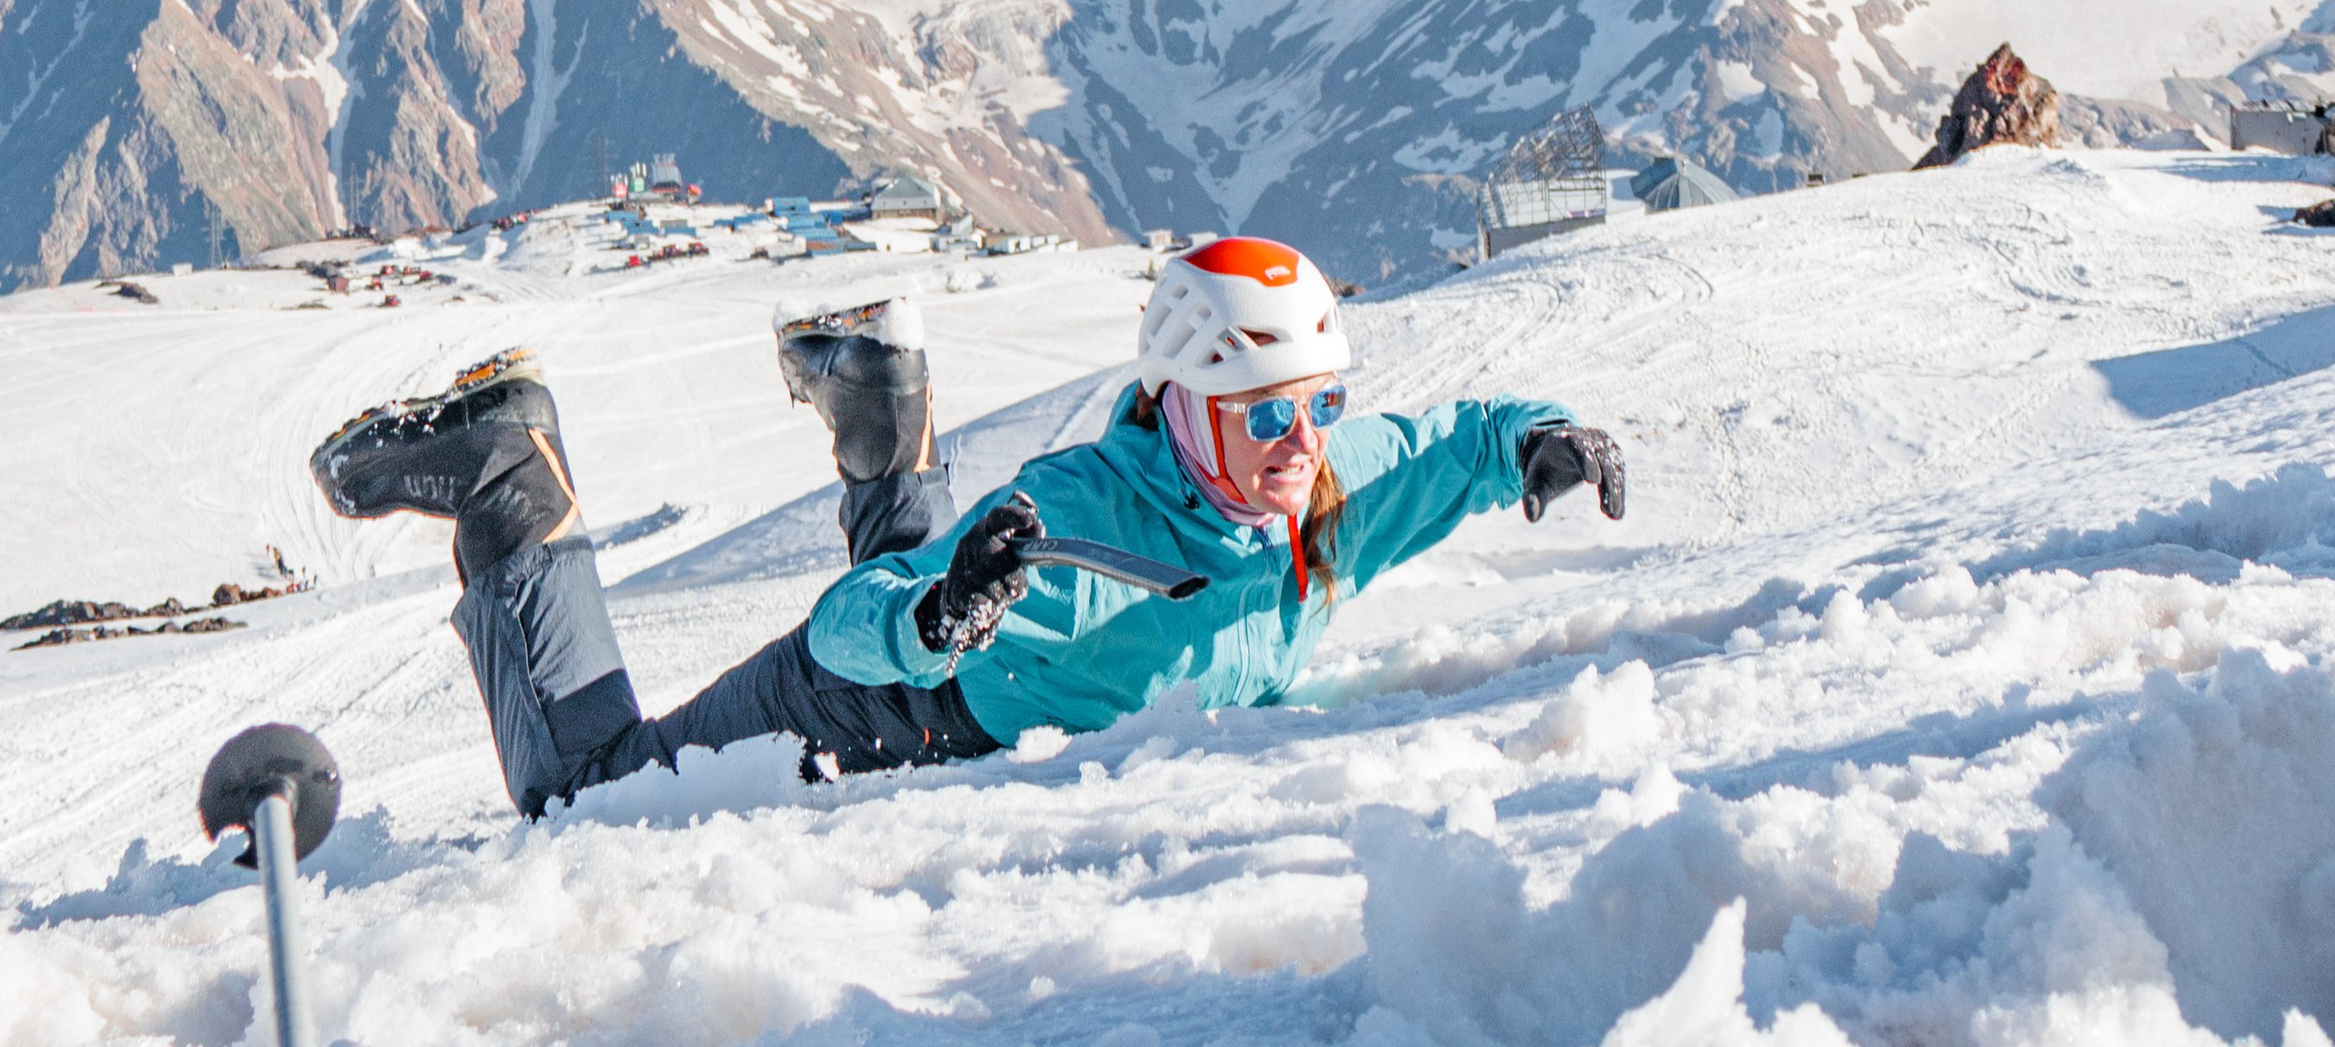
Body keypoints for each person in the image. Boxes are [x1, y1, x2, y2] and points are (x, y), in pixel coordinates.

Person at [308, 234, 1625, 819]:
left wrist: (1539, 441)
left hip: (970, 655)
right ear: (1183, 403)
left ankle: (878, 386)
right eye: (1265, 414)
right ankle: (500, 480)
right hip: (877, 706)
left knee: (946, 580)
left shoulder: (1326, 500)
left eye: (1319, 405)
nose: (1303, 445)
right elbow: (847, 626)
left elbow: (1450, 446)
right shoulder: (1074, 528)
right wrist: (929, 622)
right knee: (586, 797)